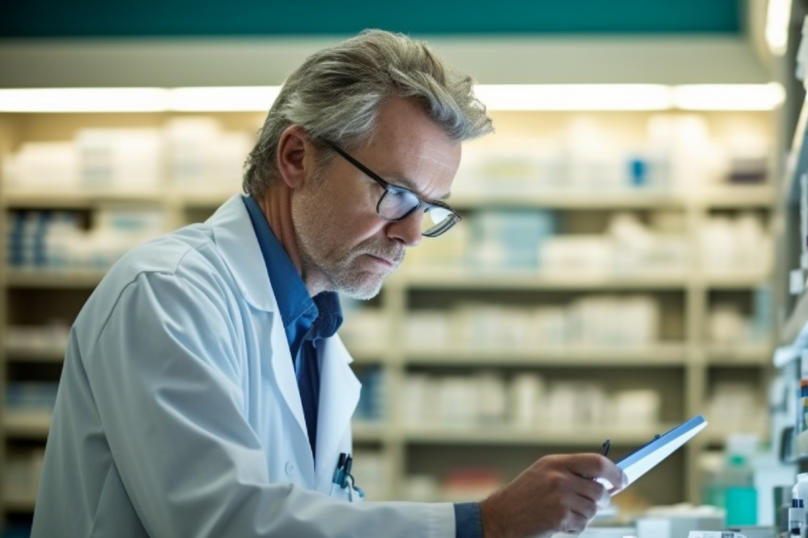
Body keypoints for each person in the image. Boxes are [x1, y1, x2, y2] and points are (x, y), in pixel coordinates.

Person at [31, 29, 626, 538]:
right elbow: (223, 521)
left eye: (431, 206)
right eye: (396, 193)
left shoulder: (315, 332)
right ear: (297, 157)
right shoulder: (166, 294)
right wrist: (480, 524)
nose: (413, 234)